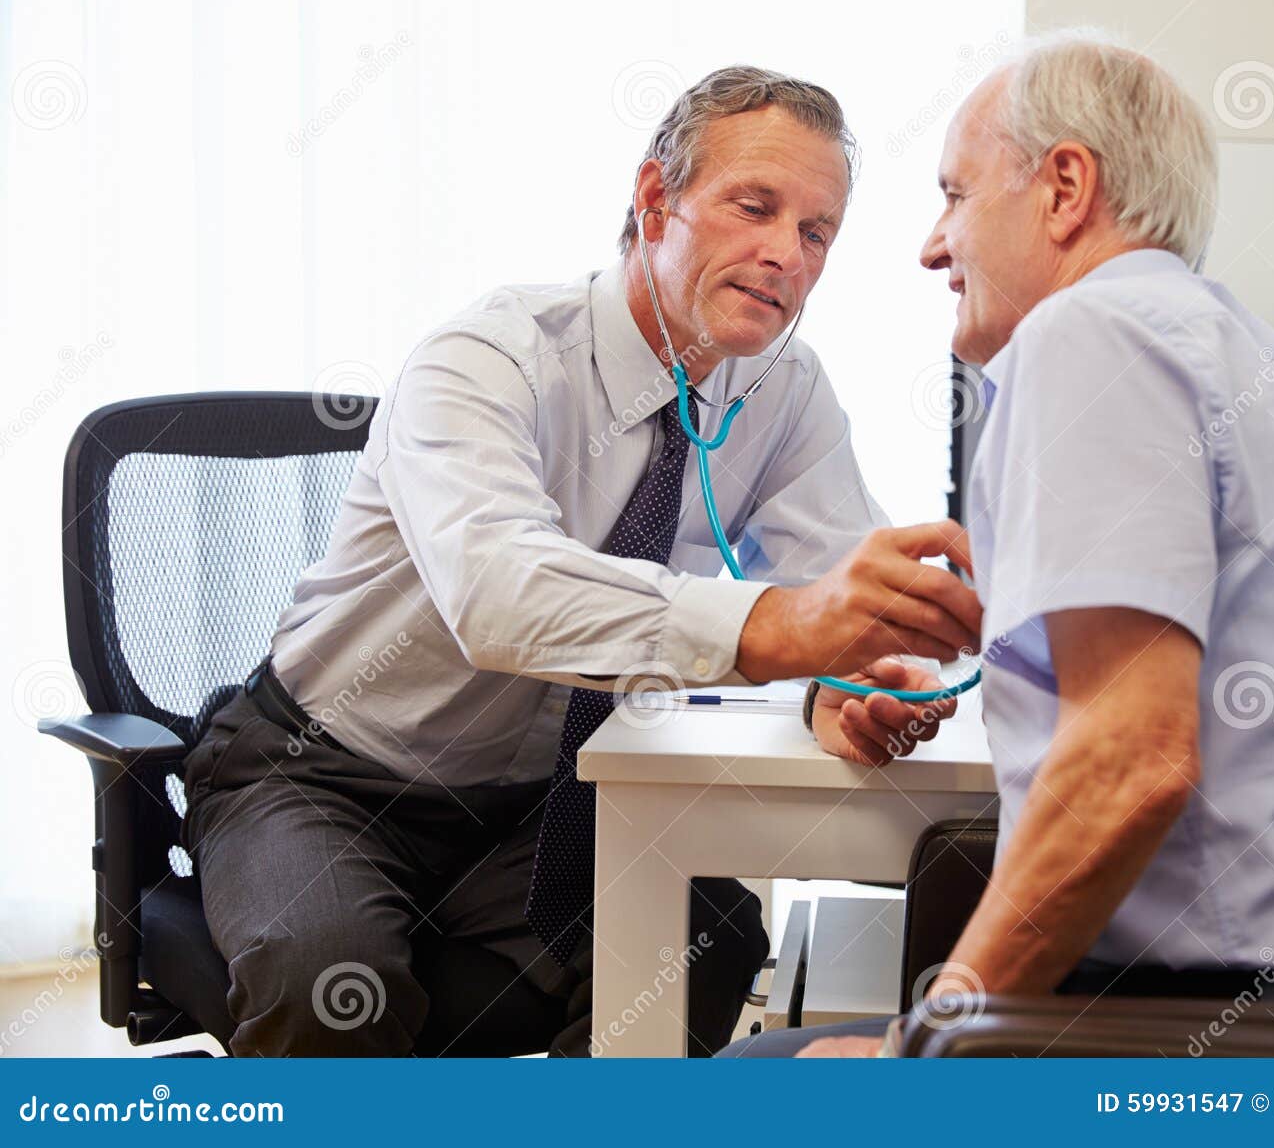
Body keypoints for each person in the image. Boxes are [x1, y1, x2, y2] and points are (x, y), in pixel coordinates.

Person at [181, 65, 978, 1058]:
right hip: (327, 773)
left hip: (537, 803)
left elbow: (837, 583)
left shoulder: (782, 389)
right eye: (754, 206)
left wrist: (853, 676)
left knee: (707, 937)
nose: (786, 254)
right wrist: (778, 627)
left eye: (816, 232)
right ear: (655, 199)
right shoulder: (491, 356)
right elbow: (499, 590)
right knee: (334, 980)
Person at [723, 31, 1274, 1059]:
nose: (933, 246)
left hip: (1223, 1025)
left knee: (751, 1071)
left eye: (955, 195)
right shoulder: (1250, 354)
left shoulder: (1088, 335)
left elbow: (1134, 762)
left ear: (1065, 187)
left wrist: (918, 1053)